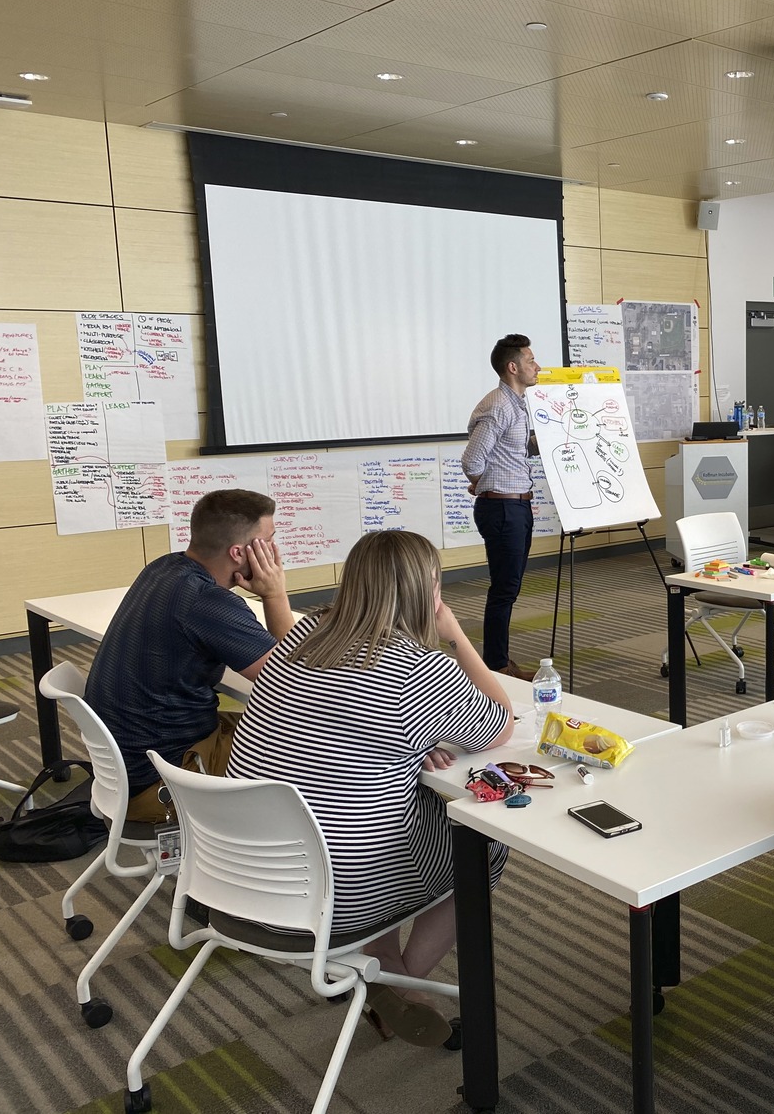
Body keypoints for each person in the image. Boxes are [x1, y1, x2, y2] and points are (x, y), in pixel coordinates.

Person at [227, 530, 514, 1047]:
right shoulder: (418, 666)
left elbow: (328, 724)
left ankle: (381, 966)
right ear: (427, 591)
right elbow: (502, 723)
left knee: (361, 810)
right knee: (483, 847)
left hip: (245, 871)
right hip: (336, 886)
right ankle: (398, 986)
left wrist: (407, 736)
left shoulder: (300, 634)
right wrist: (455, 634)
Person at [85, 489, 292, 822]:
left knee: (279, 727)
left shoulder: (163, 567)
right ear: (239, 553)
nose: (274, 551)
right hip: (166, 779)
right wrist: (275, 592)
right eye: (269, 540)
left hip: (129, 767)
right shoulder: (207, 601)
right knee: (312, 747)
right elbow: (295, 680)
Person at [462, 333, 541, 681]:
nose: (537, 366)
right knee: (504, 589)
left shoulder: (517, 404)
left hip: (516, 507)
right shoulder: (498, 405)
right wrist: (482, 482)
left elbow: (515, 450)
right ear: (513, 367)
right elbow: (473, 458)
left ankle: (498, 660)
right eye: (530, 360)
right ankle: (496, 665)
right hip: (503, 509)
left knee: (508, 587)